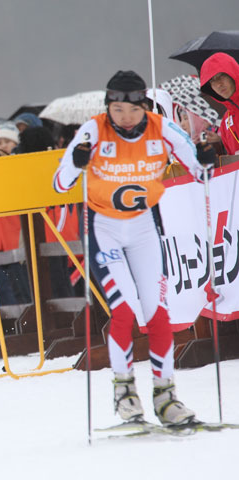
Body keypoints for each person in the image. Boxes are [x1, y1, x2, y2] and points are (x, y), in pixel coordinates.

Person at [52, 70, 216, 426]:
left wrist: (205, 158)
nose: (125, 116)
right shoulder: (94, 130)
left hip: (143, 229)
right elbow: (60, 184)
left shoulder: (163, 129)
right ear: (108, 107)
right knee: (124, 311)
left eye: (133, 108)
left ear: (144, 105)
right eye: (117, 108)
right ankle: (124, 392)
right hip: (104, 230)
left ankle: (166, 396)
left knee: (158, 315)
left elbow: (201, 174)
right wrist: (77, 163)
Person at [200, 52, 239, 156]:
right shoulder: (225, 121)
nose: (218, 84)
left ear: (232, 73)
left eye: (221, 76)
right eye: (212, 81)